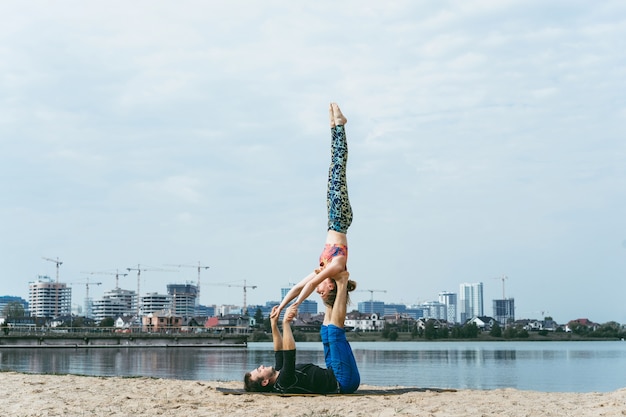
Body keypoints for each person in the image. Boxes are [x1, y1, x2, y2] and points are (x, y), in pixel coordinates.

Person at [272, 102, 357, 317]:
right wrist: (297, 306)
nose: (318, 290)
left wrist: (282, 306)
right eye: (322, 292)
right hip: (340, 220)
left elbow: (300, 287)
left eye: (318, 292)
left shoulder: (323, 267)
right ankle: (339, 125)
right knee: (338, 167)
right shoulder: (337, 268)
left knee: (332, 170)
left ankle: (333, 127)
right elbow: (309, 288)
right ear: (330, 287)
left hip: (332, 220)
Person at [244, 271, 360, 394]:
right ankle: (342, 283)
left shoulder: (279, 373)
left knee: (326, 332)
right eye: (259, 370)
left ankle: (330, 287)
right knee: (334, 333)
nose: (261, 366)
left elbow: (279, 350)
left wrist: (273, 324)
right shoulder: (283, 382)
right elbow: (289, 353)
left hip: (333, 372)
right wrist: (285, 323)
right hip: (342, 381)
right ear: (265, 382)